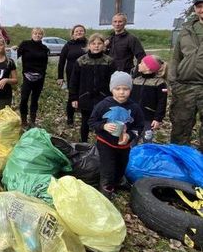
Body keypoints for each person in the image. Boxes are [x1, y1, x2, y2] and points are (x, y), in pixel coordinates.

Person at [88, 71, 144, 199]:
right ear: (112, 89)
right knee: (108, 168)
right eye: (117, 88)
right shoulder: (103, 105)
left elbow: (139, 126)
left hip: (124, 146)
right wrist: (103, 126)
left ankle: (118, 182)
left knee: (121, 166)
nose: (121, 92)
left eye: (125, 89)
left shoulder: (134, 108)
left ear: (130, 90)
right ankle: (106, 191)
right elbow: (91, 121)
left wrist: (129, 135)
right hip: (105, 143)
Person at [169, 0, 203, 151]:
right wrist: (173, 81)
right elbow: (176, 57)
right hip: (185, 86)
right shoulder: (186, 30)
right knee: (180, 127)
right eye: (199, 6)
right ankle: (180, 164)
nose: (202, 9)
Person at [69, 33, 115, 143]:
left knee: (103, 122)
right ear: (89, 45)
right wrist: (73, 97)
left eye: (99, 43)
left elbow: (113, 81)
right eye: (93, 43)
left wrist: (113, 97)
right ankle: (84, 143)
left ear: (104, 46)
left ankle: (102, 143)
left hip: (104, 98)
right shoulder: (81, 61)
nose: (96, 46)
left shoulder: (109, 61)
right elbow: (74, 81)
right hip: (85, 96)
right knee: (85, 122)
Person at [131, 55, 167, 144]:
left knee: (147, 140)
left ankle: (147, 155)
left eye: (142, 63)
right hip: (133, 116)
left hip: (148, 118)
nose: (138, 64)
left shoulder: (159, 83)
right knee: (132, 139)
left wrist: (158, 118)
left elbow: (162, 102)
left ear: (148, 67)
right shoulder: (135, 80)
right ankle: (130, 156)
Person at [17, 27, 49, 128]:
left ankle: (32, 120)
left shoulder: (44, 48)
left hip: (40, 78)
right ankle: (23, 120)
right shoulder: (25, 44)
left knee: (35, 99)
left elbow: (45, 63)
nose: (37, 35)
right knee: (24, 98)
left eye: (39, 34)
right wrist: (13, 49)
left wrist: (42, 74)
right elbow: (15, 55)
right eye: (35, 33)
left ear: (42, 36)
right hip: (27, 76)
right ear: (32, 34)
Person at [57, 24, 88, 126]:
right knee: (72, 96)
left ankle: (86, 120)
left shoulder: (89, 44)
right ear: (73, 33)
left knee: (85, 97)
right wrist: (60, 77)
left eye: (81, 31)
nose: (79, 32)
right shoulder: (68, 45)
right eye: (77, 31)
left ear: (84, 32)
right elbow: (61, 61)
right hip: (71, 75)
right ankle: (70, 119)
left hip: (86, 75)